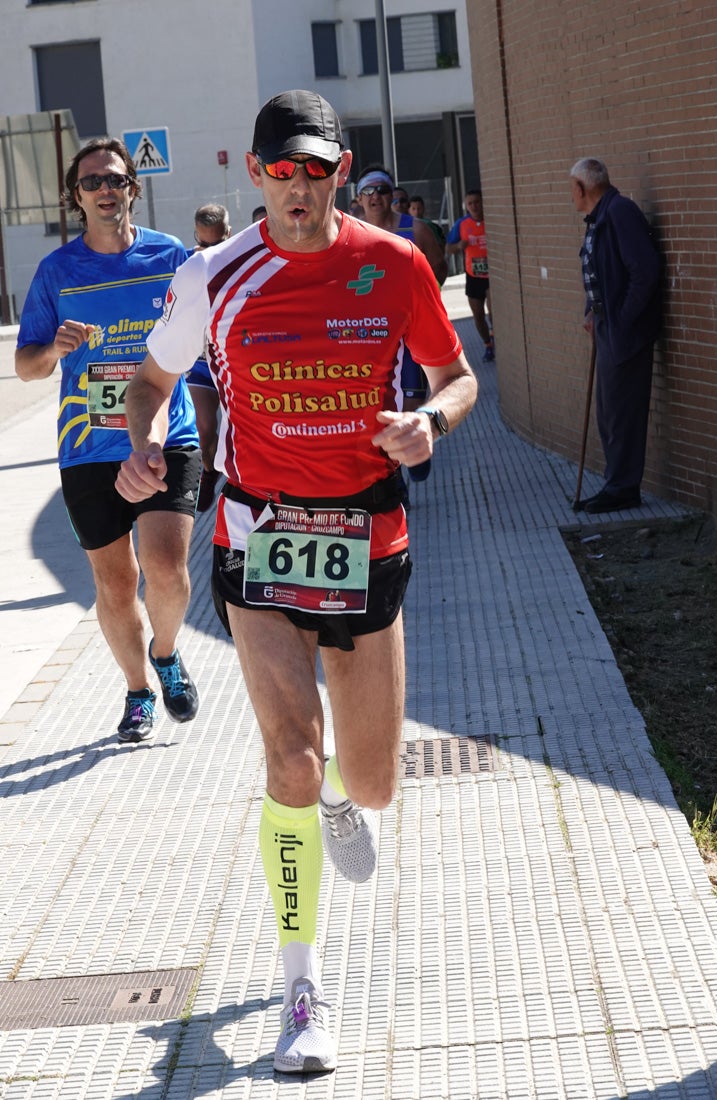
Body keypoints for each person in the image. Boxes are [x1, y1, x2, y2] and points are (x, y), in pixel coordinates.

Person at [116, 89, 477, 1074]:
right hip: (259, 539)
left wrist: (430, 423)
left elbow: (459, 377)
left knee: (369, 780)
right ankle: (301, 987)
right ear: (256, 172)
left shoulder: (393, 263)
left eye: (316, 169)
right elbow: (150, 380)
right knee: (287, 759)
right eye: (282, 170)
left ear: (336, 168)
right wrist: (140, 442)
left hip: (368, 534)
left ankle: (336, 800)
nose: (299, 188)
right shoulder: (214, 276)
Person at [15, 137, 201, 745]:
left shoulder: (169, 257)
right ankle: (138, 690)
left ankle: (166, 653)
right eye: (92, 182)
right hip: (88, 448)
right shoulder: (57, 272)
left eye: (115, 180)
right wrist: (53, 349)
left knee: (167, 573)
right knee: (116, 585)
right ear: (77, 196)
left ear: (132, 189)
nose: (104, 190)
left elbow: (202, 343)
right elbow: (25, 367)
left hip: (165, 439)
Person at [570, 157, 663, 513]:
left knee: (622, 411)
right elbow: (600, 272)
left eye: (572, 190)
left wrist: (621, 319)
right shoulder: (599, 218)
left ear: (581, 188)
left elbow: (645, 270)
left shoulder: (620, 212)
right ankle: (616, 482)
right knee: (609, 411)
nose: (571, 196)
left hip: (626, 332)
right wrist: (592, 311)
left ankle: (623, 487)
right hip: (608, 327)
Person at [356, 164, 448, 489]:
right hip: (369, 339)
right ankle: (391, 481)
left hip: (408, 336)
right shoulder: (349, 234)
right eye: (368, 190)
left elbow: (439, 269)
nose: (376, 196)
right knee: (374, 409)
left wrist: (416, 305)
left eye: (381, 189)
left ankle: (412, 456)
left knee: (407, 410)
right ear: (358, 198)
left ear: (392, 195)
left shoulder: (416, 230)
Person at [186, 203, 232, 512]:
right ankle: (208, 468)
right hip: (202, 364)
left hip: (234, 363)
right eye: (203, 244)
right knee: (204, 432)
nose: (209, 251)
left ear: (228, 234)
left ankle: (225, 469)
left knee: (240, 432)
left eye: (217, 244)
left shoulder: (245, 258)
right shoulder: (187, 263)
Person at [446, 189, 495, 362]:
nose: (474, 206)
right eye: (470, 203)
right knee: (478, 315)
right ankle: (488, 344)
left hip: (492, 275)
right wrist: (459, 246)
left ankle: (494, 335)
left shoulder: (491, 220)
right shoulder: (462, 224)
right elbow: (448, 248)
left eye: (477, 202)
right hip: (473, 275)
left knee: (493, 311)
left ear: (483, 202)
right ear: (466, 206)